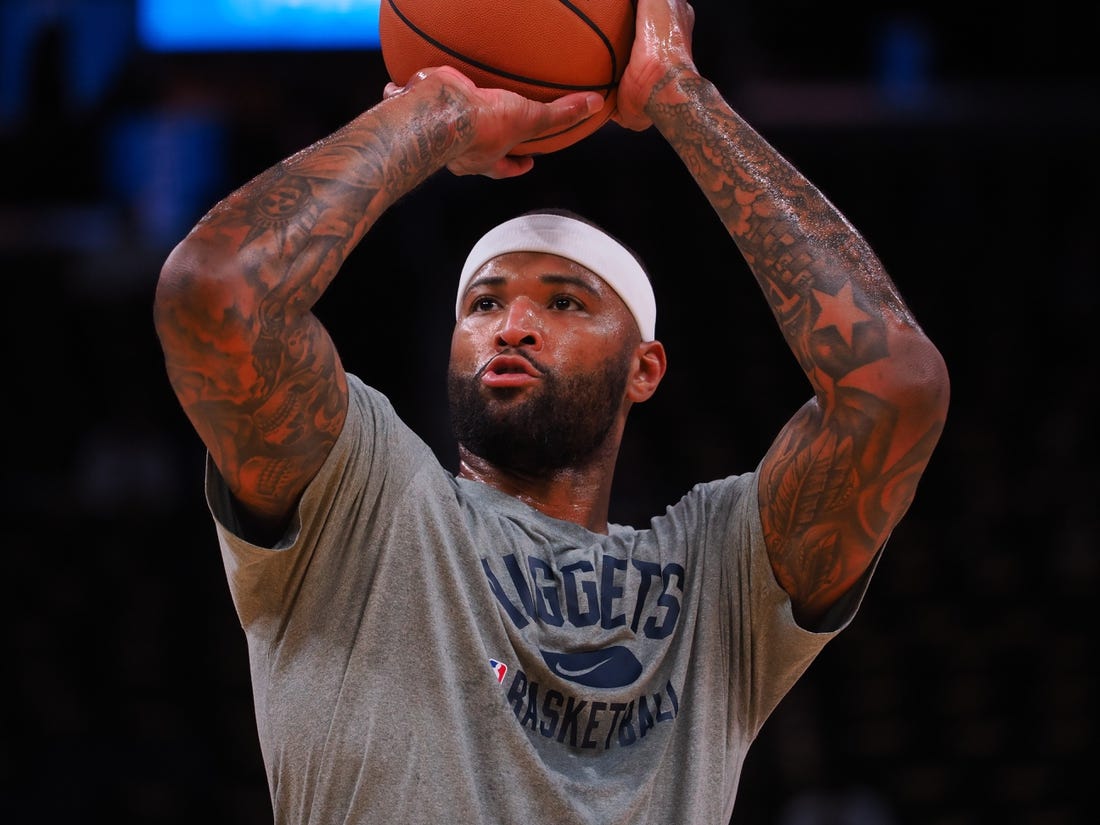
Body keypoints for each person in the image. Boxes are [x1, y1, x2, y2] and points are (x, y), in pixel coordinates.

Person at [153, 1, 949, 822]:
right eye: (485, 303)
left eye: (565, 302)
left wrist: (681, 93)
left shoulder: (718, 576)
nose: (514, 323)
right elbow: (215, 293)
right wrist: (435, 112)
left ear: (646, 368)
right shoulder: (366, 505)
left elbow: (896, 386)